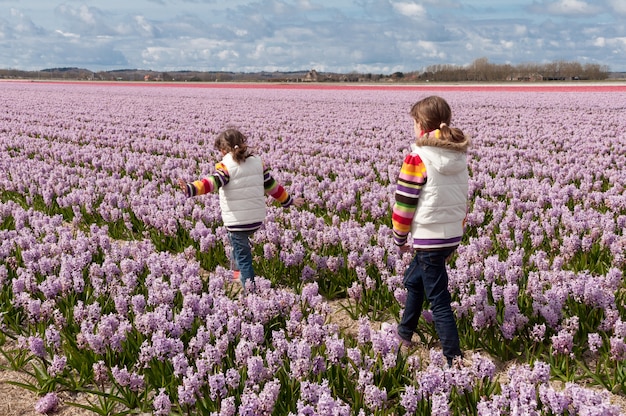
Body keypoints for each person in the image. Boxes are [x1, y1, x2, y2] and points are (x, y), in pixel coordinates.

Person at [392, 96, 470, 366]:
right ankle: (404, 332)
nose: (413, 128)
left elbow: (404, 204)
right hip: (450, 235)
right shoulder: (458, 156)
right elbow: (463, 199)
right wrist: (455, 236)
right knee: (415, 281)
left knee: (439, 300)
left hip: (428, 237)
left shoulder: (417, 157)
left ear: (422, 126)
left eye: (414, 123)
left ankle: (454, 358)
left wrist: (400, 237)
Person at [179, 128, 304, 289]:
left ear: (224, 150)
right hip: (256, 220)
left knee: (243, 256)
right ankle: (236, 273)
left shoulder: (226, 167)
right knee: (236, 245)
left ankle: (250, 290)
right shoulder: (257, 163)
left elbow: (210, 183)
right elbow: (273, 187)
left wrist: (190, 189)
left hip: (237, 222)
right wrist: (288, 201)